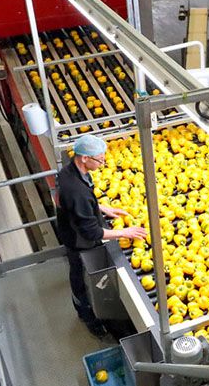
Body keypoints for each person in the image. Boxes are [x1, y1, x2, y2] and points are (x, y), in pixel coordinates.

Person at [56, 134, 147, 335]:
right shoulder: (75, 190)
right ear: (84, 158)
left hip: (71, 229)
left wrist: (102, 208)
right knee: (80, 278)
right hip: (78, 242)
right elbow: (92, 232)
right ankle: (88, 317)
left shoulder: (71, 172)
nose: (103, 163)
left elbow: (81, 203)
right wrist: (125, 232)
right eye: (100, 159)